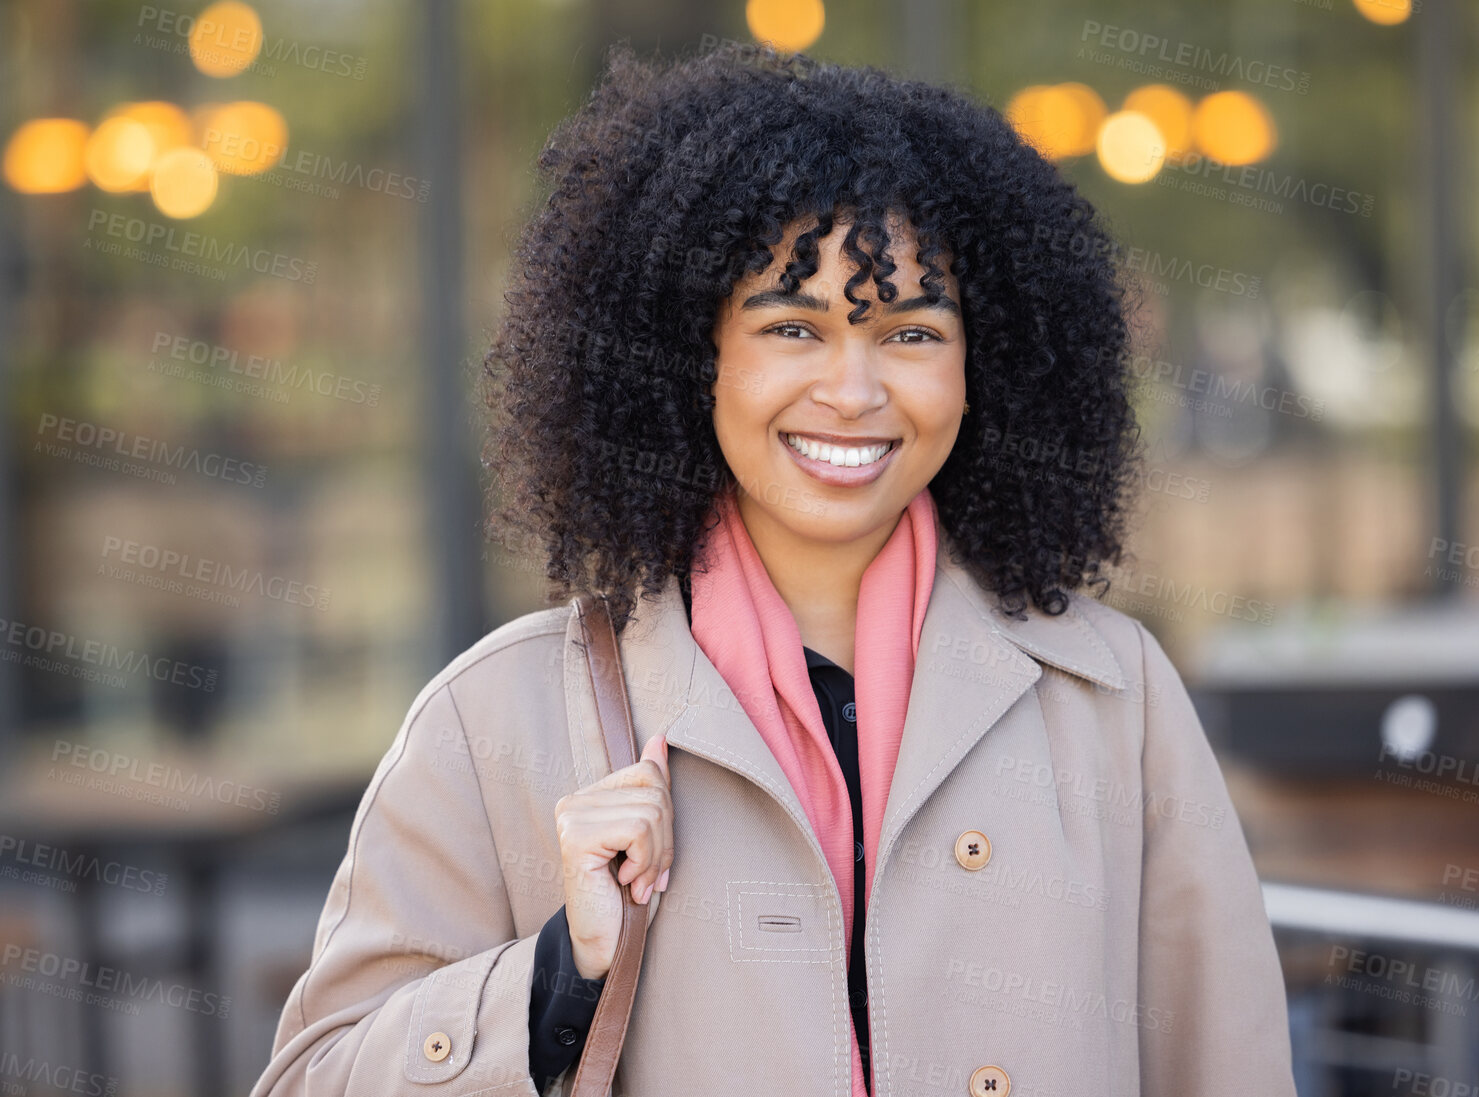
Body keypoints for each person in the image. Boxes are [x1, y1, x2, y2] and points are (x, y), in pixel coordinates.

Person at [252, 39, 1296, 1097]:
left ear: (986, 368)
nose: (852, 390)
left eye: (910, 332)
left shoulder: (1113, 701)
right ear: (686, 356)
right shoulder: (496, 720)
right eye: (792, 326)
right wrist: (558, 972)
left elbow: (1230, 1064)